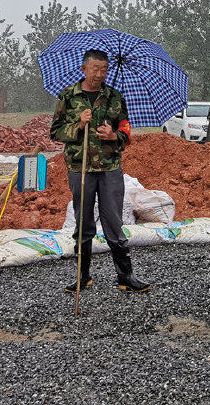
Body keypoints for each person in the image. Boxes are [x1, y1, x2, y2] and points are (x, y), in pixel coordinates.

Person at [50, 49, 150, 294]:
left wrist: (113, 135)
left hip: (110, 169)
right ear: (83, 69)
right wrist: (79, 125)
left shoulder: (115, 98)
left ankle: (125, 276)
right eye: (95, 69)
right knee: (83, 223)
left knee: (113, 222)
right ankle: (82, 277)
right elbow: (55, 132)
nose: (100, 74)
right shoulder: (68, 97)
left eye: (104, 69)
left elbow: (127, 133)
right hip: (80, 168)